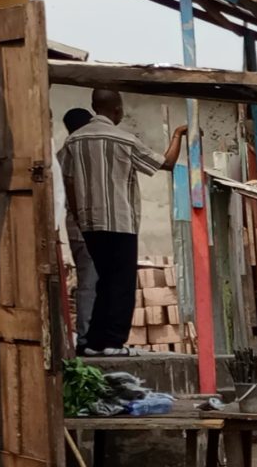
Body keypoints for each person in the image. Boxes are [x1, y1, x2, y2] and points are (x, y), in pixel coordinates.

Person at [58, 93, 186, 354]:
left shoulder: (73, 141)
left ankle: (94, 342)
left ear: (94, 107)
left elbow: (68, 181)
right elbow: (167, 163)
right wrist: (178, 135)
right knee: (121, 284)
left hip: (89, 223)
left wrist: (79, 215)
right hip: (121, 221)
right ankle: (113, 342)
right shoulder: (124, 139)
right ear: (117, 110)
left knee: (103, 281)